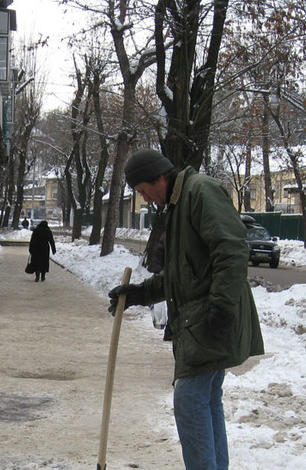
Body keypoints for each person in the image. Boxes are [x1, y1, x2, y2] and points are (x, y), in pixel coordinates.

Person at [108, 149, 265, 470]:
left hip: (209, 318)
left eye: (142, 190)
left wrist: (221, 310)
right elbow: (181, 274)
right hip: (201, 320)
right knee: (206, 400)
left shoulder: (199, 192)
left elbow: (232, 250)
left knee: (190, 400)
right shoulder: (179, 206)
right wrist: (139, 293)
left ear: (159, 177)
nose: (145, 198)